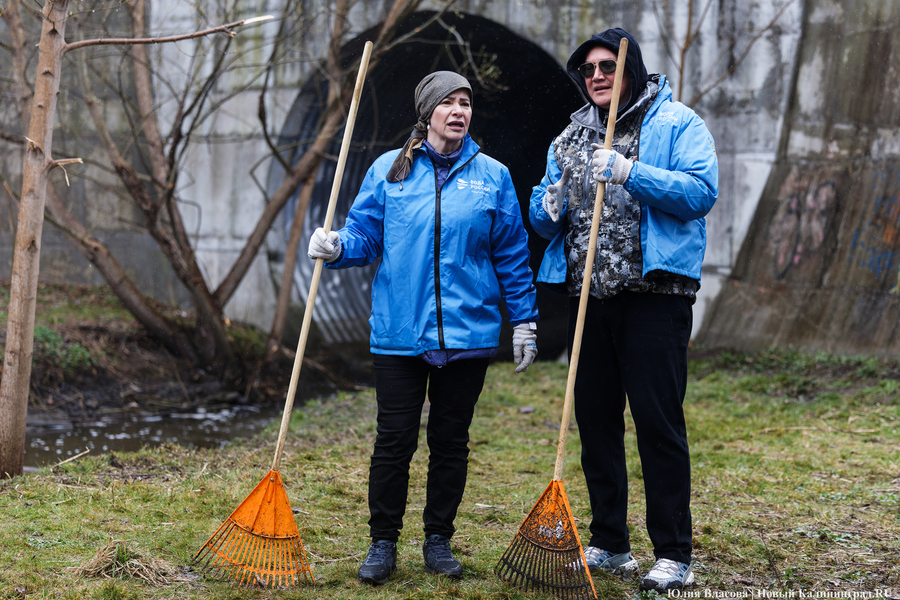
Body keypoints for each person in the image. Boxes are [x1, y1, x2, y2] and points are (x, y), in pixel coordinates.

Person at [307, 71, 539, 585]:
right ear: (427, 112)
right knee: (393, 441)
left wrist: (524, 320)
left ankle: (438, 542)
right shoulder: (389, 171)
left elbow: (512, 253)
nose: (459, 111)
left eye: (466, 103)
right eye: (448, 103)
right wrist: (338, 246)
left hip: (468, 333)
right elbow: (366, 237)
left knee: (451, 441)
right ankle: (382, 543)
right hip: (399, 332)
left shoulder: (493, 176)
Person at [529, 29, 718, 593]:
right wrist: (548, 205)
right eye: (587, 70)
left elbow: (700, 192)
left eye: (607, 65)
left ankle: (673, 551)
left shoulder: (676, 122)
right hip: (589, 298)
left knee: (658, 423)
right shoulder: (568, 137)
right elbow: (544, 220)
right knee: (596, 424)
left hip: (654, 295)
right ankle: (610, 543)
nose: (597, 76)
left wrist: (631, 172)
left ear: (630, 67)